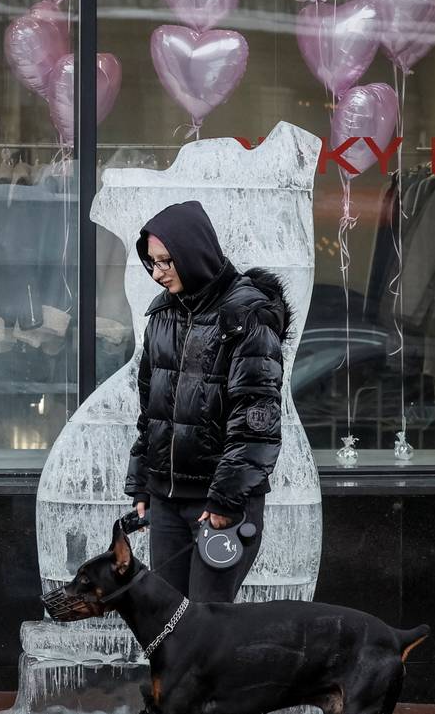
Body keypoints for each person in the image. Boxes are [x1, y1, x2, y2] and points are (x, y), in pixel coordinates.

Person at [124, 200, 290, 604]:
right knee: (168, 622)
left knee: (208, 623)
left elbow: (256, 422)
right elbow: (152, 413)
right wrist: (142, 483)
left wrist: (226, 499)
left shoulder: (245, 315)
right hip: (166, 500)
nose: (157, 273)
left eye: (166, 261)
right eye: (152, 263)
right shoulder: (163, 315)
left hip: (219, 503)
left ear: (192, 253)